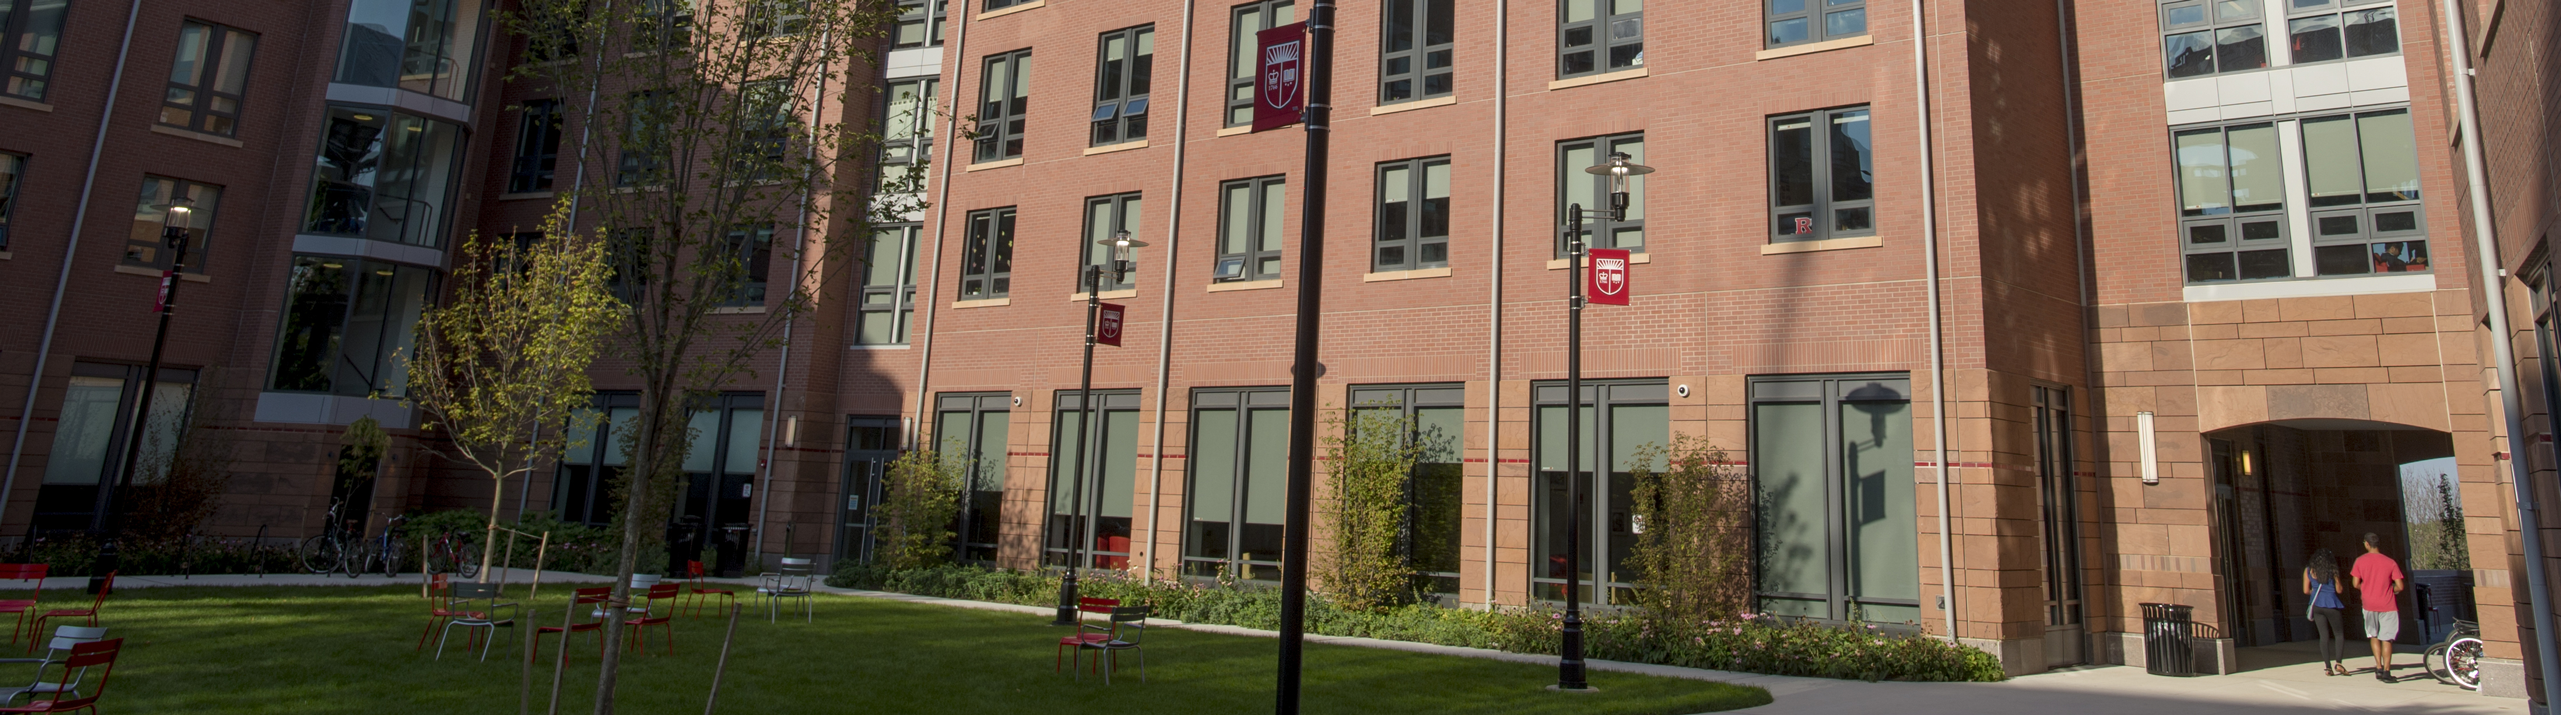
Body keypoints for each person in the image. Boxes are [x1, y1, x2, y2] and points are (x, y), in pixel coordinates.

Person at [2349, 532, 2407, 681]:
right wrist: (2390, 589)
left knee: (2373, 635)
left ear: (2367, 544)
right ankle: (2387, 671)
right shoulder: (2390, 562)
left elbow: (2355, 584)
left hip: (2369, 604)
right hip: (2387, 604)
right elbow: (2400, 586)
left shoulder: (2360, 561)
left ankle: (2378, 666)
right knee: (2386, 638)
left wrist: (2367, 588)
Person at [2304, 548, 2350, 676]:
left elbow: (2306, 590)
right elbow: (2339, 590)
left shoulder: (2309, 570)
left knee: (2323, 636)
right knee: (2339, 634)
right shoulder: (2332, 570)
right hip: (2331, 604)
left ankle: (2327, 667)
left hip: (2317, 605)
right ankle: (2339, 663)